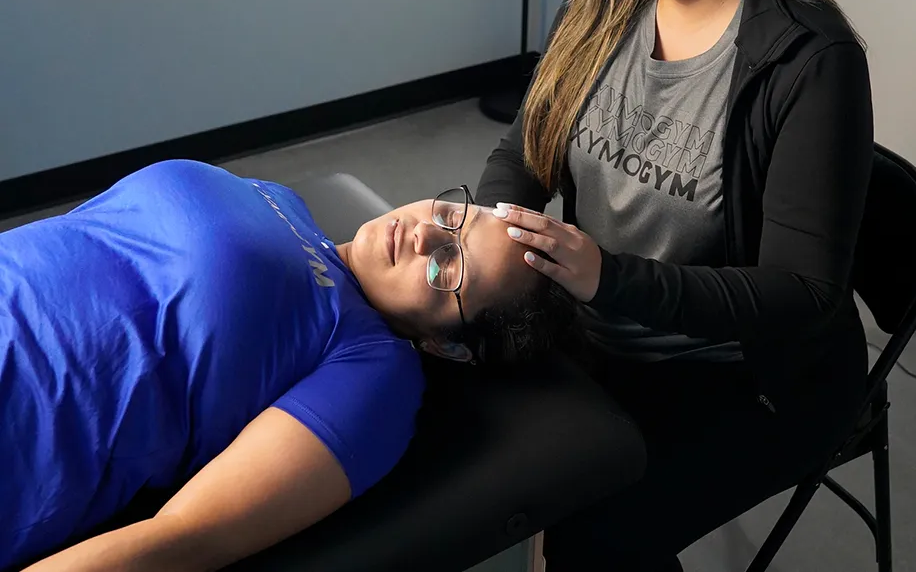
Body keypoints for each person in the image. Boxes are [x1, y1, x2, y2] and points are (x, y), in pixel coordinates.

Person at [477, 0, 874, 570]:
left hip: (739, 378)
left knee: (595, 530)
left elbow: (805, 292)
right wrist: (489, 234)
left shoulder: (812, 60)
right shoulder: (599, 2)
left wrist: (610, 277)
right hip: (592, 331)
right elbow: (524, 152)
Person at [0, 159, 576, 572]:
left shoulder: (374, 374)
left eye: (449, 265)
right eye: (454, 216)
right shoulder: (283, 201)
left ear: (447, 346)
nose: (425, 232)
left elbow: (186, 538)